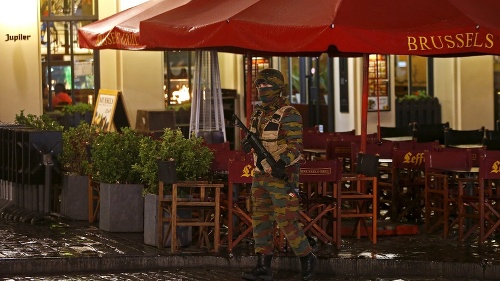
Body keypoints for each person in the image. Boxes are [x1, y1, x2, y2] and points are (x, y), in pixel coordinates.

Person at [241, 69, 318, 281]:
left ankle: (307, 257)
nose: (261, 90)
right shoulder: (258, 114)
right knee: (260, 220)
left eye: (266, 87)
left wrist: (281, 163)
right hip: (260, 175)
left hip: (283, 176)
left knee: (287, 220)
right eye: (259, 87)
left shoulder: (289, 113)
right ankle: (263, 266)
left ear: (278, 88)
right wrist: (247, 144)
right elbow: (255, 139)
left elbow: (296, 146)